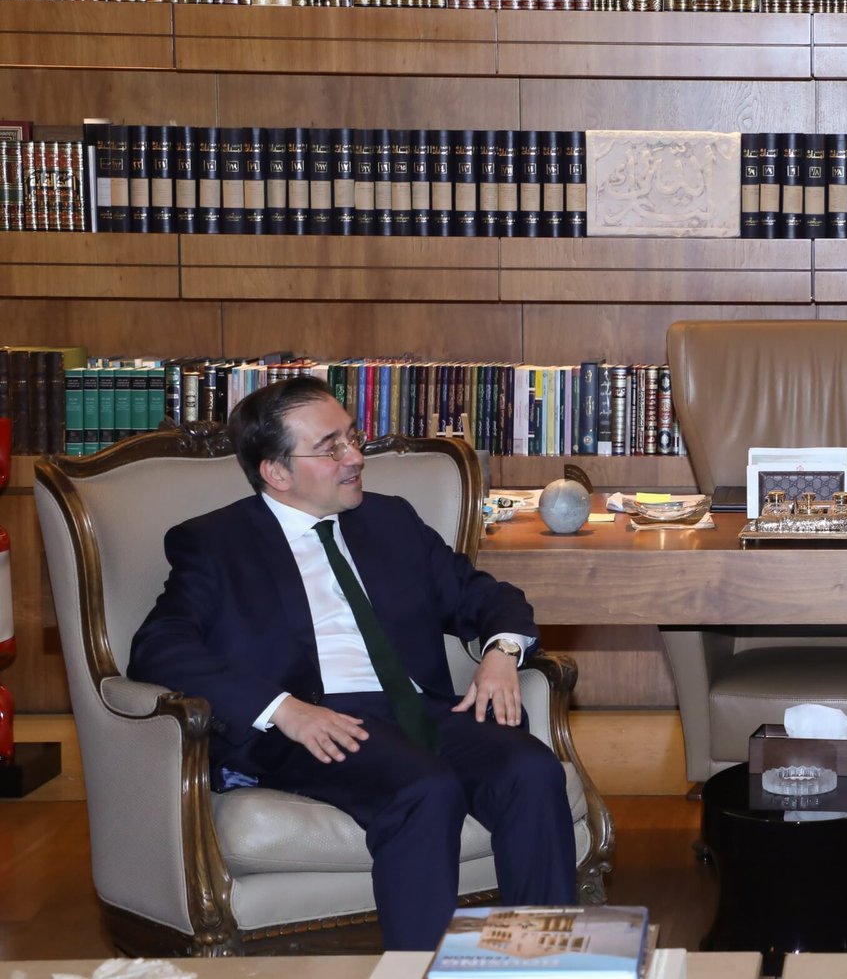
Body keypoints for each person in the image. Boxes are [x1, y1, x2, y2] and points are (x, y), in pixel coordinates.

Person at [129, 376, 576, 951]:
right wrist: (281, 709)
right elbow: (160, 646)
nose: (355, 457)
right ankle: (418, 966)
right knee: (425, 788)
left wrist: (501, 653)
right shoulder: (218, 543)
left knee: (531, 771)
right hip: (316, 723)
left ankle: (542, 960)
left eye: (352, 437)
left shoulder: (390, 520)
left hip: (418, 710)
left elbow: (483, 595)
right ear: (276, 472)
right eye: (330, 447)